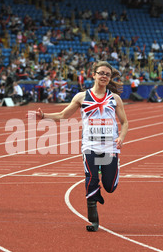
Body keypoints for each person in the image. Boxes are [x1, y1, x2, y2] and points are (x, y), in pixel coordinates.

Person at [26, 61, 129, 232]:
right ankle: (93, 220)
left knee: (110, 186)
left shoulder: (115, 99)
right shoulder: (82, 97)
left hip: (110, 146)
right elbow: (62, 115)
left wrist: (121, 137)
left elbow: (125, 122)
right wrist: (43, 116)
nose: (104, 76)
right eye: (101, 73)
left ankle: (106, 181)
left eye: (107, 74)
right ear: (93, 74)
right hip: (90, 145)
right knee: (91, 179)